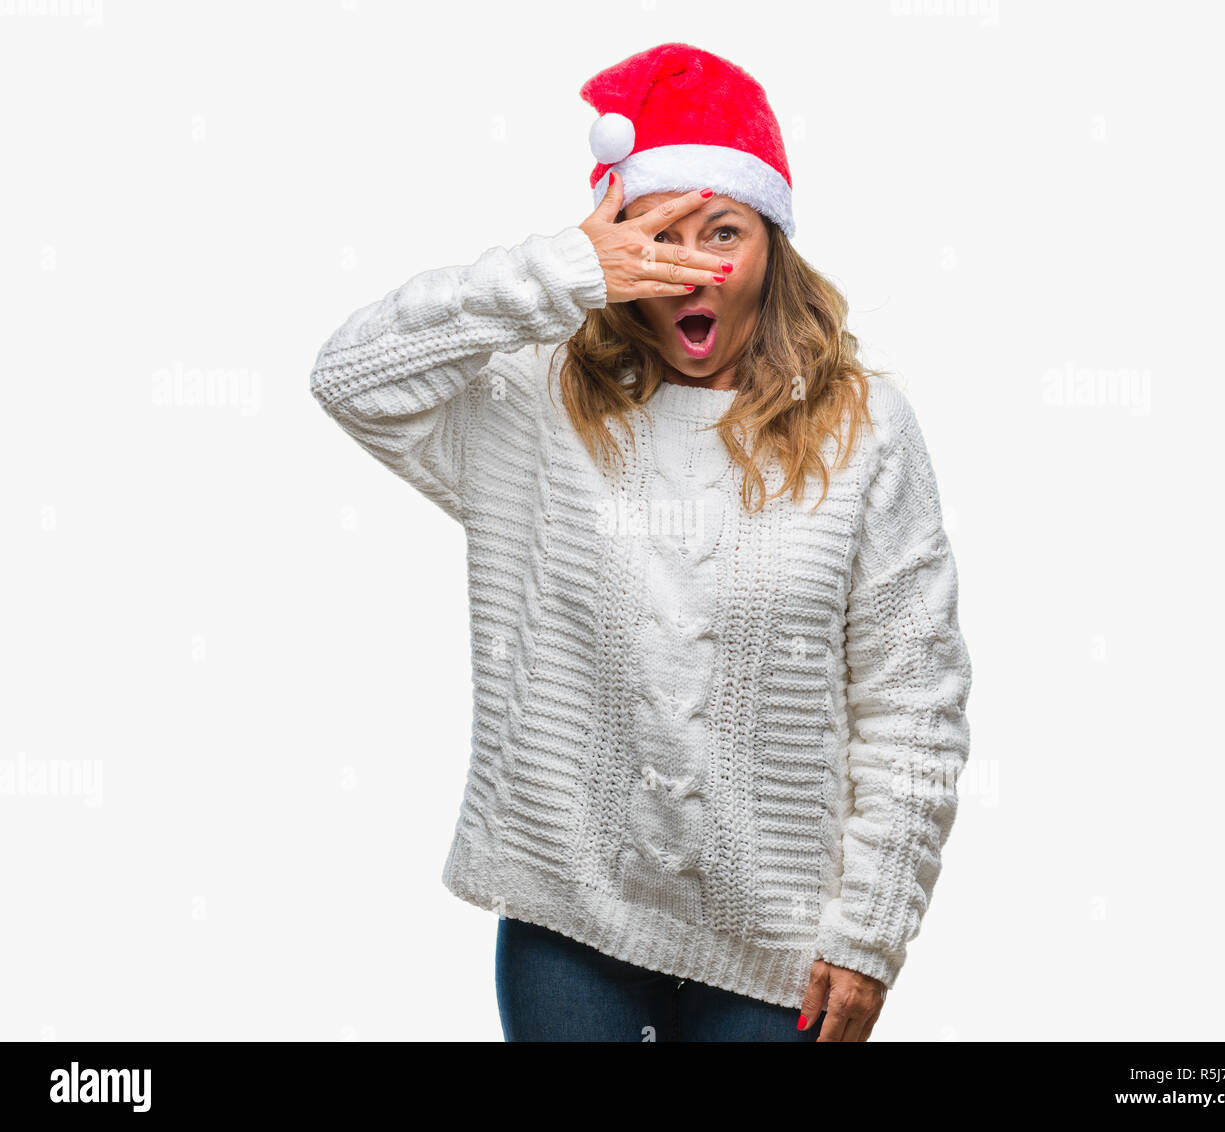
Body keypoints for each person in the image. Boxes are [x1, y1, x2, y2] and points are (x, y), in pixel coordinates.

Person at [308, 42, 972, 1043]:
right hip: (568, 925)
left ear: (772, 246)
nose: (694, 267)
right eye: (657, 235)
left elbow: (912, 697)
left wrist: (872, 929)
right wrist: (567, 268)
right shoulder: (537, 404)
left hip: (775, 942)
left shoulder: (862, 426)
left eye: (723, 231)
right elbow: (350, 376)